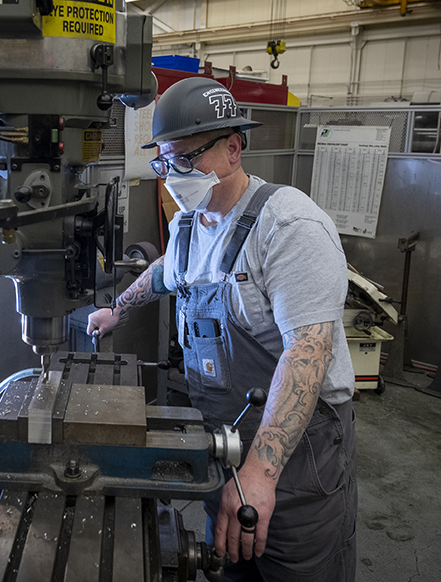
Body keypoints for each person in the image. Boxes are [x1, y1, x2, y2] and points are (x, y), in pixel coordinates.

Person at [87, 77, 357, 581]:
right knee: (231, 563)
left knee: (295, 568)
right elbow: (167, 270)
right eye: (165, 162)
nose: (173, 176)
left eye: (186, 160)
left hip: (294, 459)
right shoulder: (193, 221)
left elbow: (310, 351)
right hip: (220, 444)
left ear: (232, 149)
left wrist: (259, 473)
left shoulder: (289, 226)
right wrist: (118, 310)